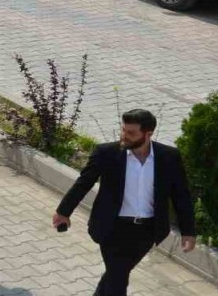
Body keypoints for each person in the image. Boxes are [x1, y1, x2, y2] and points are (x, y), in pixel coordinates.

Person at [54, 109, 197, 296]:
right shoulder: (106, 153)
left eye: (131, 133)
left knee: (116, 274)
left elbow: (181, 195)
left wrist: (188, 231)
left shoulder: (168, 157)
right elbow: (84, 183)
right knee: (118, 279)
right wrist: (63, 212)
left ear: (148, 134)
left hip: (147, 230)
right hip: (112, 227)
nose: (124, 136)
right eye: (123, 130)